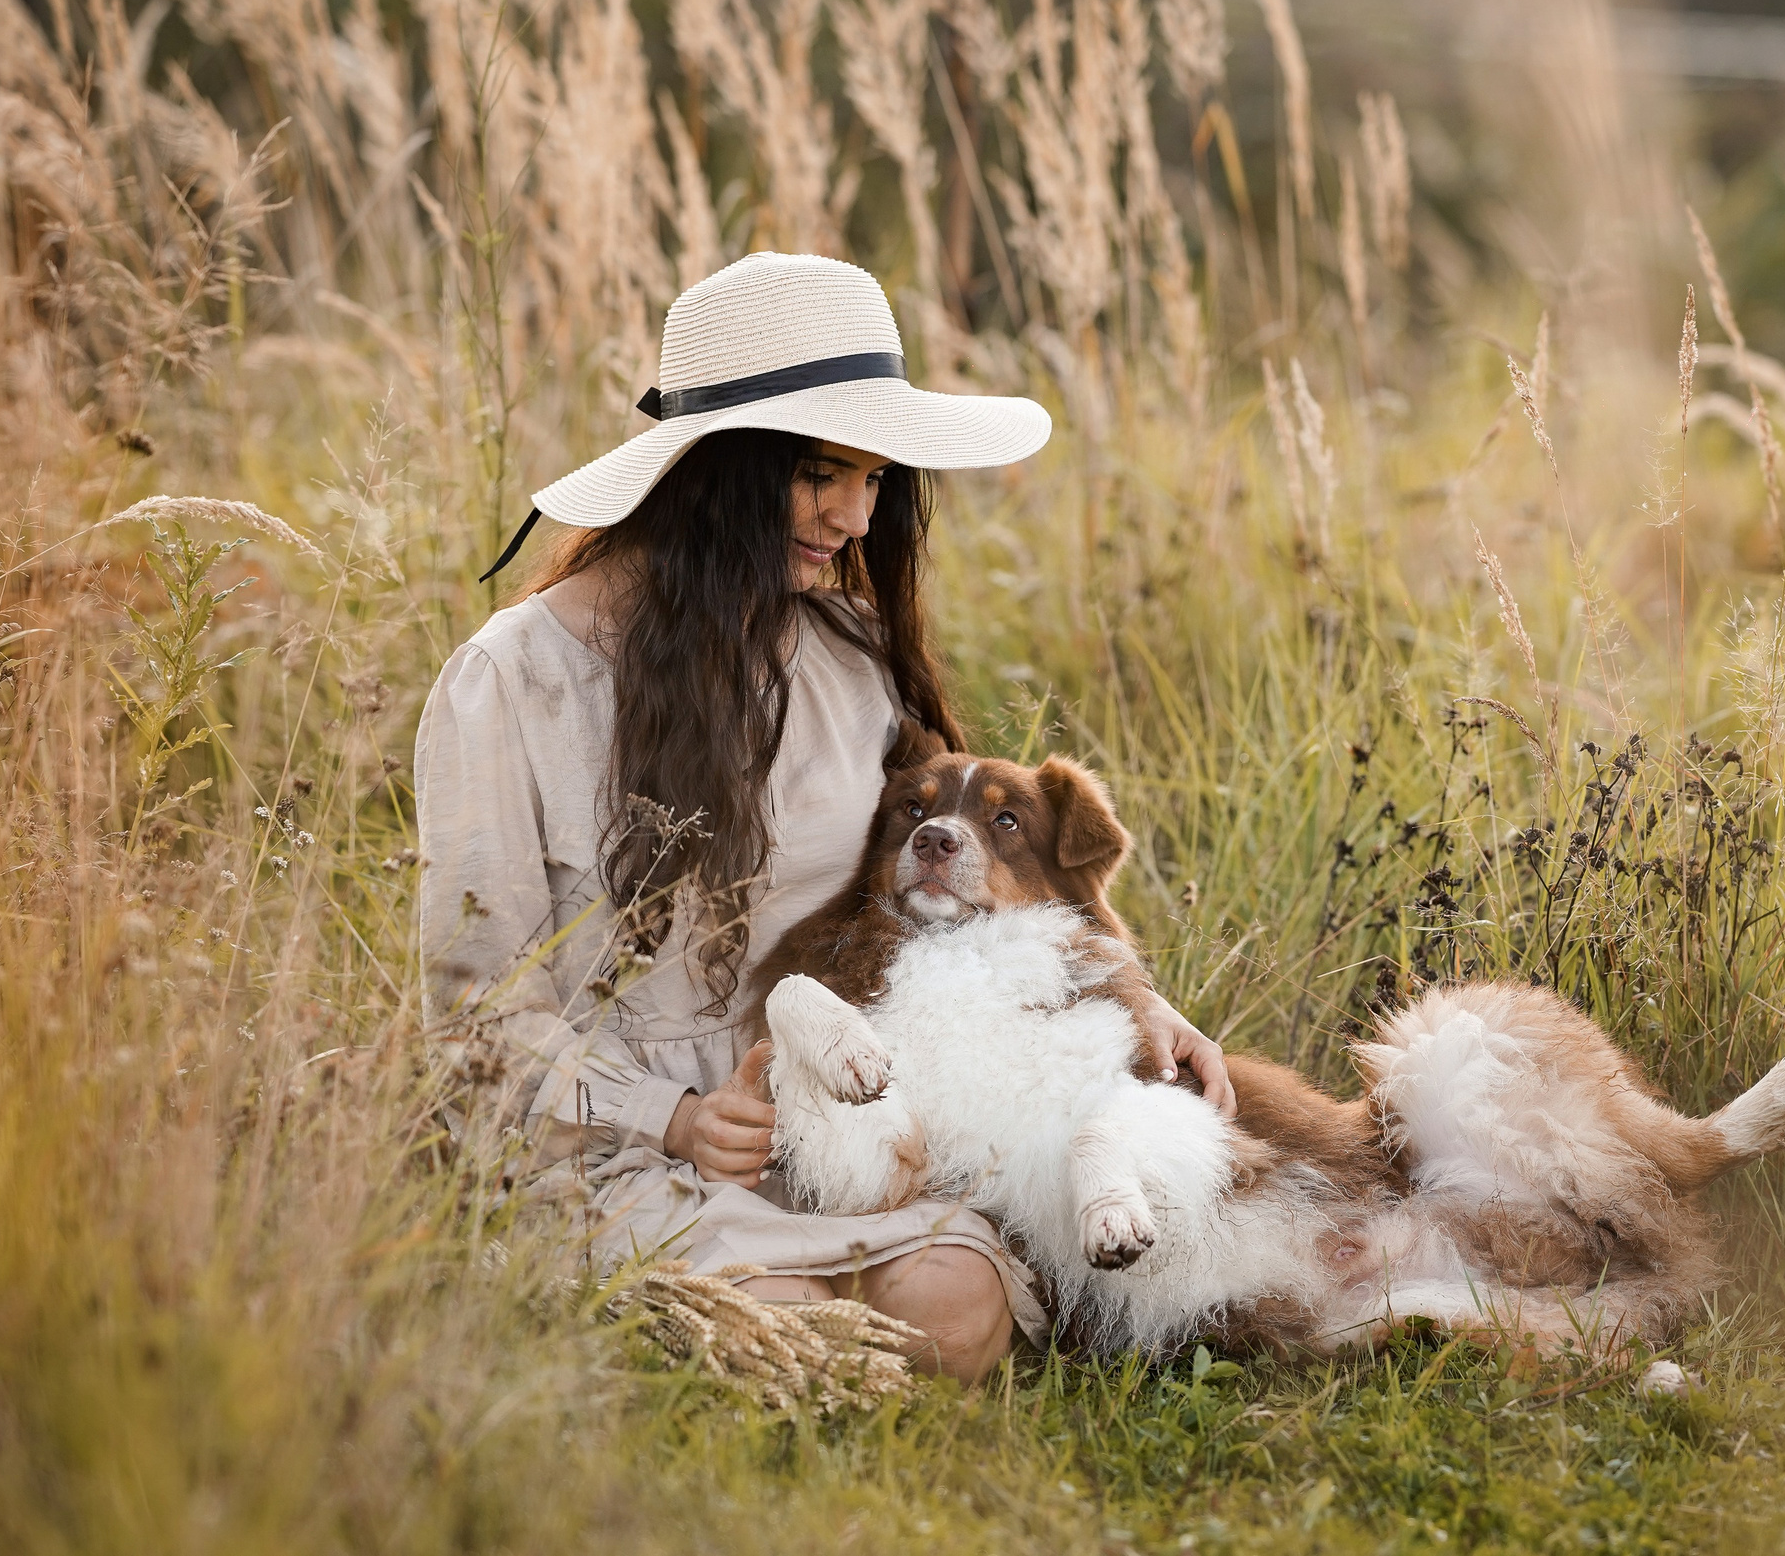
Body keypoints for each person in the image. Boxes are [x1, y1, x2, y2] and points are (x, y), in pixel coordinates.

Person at [414, 253, 1231, 1384]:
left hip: (849, 1112)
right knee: (788, 1324)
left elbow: (976, 868)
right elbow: (473, 1011)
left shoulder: (843, 656)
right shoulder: (512, 680)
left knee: (948, 1314)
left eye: (876, 479)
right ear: (714, 472)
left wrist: (1139, 999)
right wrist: (675, 1120)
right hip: (614, 1137)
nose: (854, 518)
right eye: (817, 475)